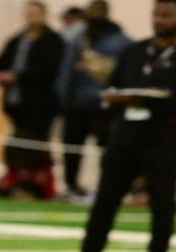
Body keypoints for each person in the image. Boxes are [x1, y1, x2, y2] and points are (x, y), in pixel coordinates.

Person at [46, 0, 176, 252]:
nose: (160, 20)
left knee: (161, 203)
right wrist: (116, 99)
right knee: (105, 200)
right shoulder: (134, 51)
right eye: (156, 14)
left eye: (167, 15)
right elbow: (114, 87)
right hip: (126, 136)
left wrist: (154, 99)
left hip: (165, 139)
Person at [0, 1, 62, 198]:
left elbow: (48, 71)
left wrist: (18, 77)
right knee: (16, 143)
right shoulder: (17, 40)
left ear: (44, 16)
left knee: (36, 145)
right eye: (29, 14)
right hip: (16, 103)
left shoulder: (53, 41)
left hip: (41, 104)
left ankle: (37, 184)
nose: (31, 18)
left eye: (36, 14)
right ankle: (17, 180)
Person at [54, 0, 125, 200]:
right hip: (76, 104)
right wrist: (62, 98)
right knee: (71, 147)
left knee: (106, 149)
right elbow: (66, 69)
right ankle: (70, 186)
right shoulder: (78, 37)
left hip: (104, 104)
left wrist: (99, 68)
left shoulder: (120, 40)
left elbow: (121, 73)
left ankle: (106, 188)